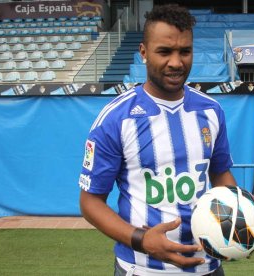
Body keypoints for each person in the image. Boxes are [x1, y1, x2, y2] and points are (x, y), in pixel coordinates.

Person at [78, 4, 237, 275]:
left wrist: (235, 223)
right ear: (143, 52)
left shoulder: (211, 111)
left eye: (184, 51)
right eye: (164, 51)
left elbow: (221, 175)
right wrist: (141, 240)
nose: (176, 62)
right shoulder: (116, 119)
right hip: (142, 269)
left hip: (209, 267)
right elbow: (90, 202)